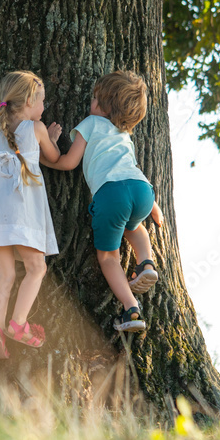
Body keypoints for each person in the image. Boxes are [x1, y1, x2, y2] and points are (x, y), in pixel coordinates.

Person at [42, 70, 165, 333]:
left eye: (95, 98)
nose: (91, 102)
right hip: (143, 190)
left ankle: (131, 308)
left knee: (109, 257)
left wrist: (43, 153)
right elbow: (129, 170)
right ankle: (146, 262)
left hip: (112, 195)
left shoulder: (90, 123)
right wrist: (153, 204)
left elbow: (67, 162)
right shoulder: (124, 134)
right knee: (135, 226)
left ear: (102, 105)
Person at [0, 70, 62, 359]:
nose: (44, 106)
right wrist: (54, 139)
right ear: (30, 101)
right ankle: (18, 325)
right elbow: (55, 158)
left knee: (5, 273)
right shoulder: (37, 129)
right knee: (37, 268)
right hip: (22, 210)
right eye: (42, 100)